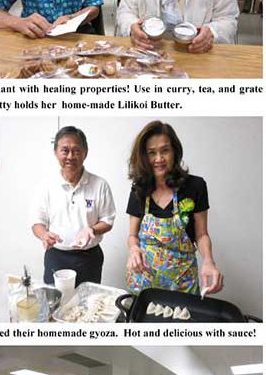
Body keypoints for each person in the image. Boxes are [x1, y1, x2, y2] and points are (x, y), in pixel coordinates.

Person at [126, 121, 223, 296]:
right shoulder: (139, 188)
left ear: (175, 151)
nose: (159, 159)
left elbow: (201, 235)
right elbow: (133, 236)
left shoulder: (195, 186)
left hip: (182, 282)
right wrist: (133, 249)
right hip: (144, 282)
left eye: (165, 150)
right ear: (143, 157)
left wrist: (209, 261)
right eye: (151, 153)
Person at [31, 126, 116, 286]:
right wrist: (44, 235)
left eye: (76, 150)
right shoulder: (46, 186)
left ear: (85, 152)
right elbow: (37, 222)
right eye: (65, 150)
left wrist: (92, 230)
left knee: (89, 305)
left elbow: (108, 220)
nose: (70, 156)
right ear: (56, 152)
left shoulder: (100, 185)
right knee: (54, 305)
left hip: (89, 258)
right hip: (56, 256)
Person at [116, 0, 239, 53]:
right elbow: (126, 12)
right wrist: (132, 29)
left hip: (197, 56)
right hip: (149, 54)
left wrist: (212, 34)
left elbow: (228, 18)